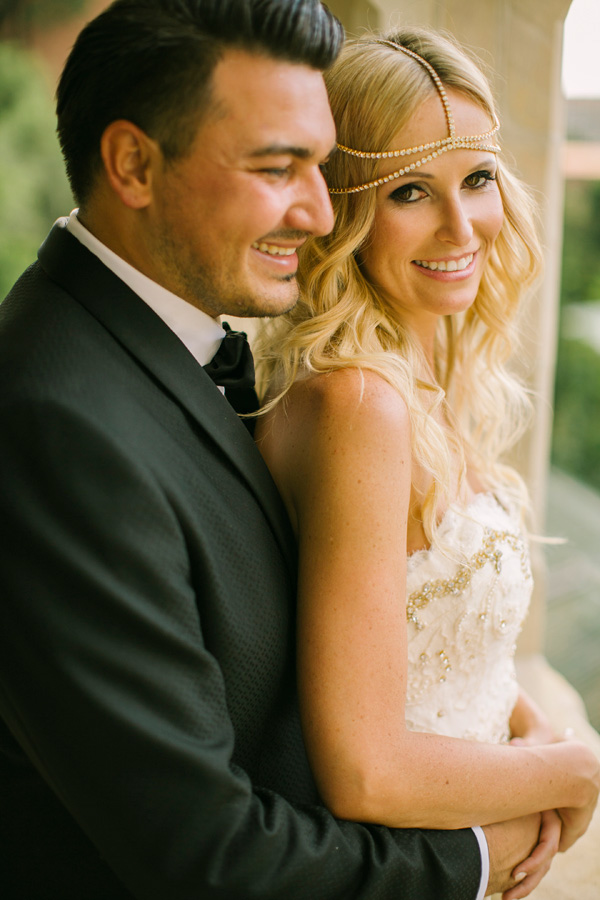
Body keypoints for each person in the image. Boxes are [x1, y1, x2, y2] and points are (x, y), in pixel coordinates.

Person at [0, 2, 554, 898]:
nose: (320, 210)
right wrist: (484, 852)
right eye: (277, 168)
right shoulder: (51, 420)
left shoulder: (184, 346)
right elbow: (206, 854)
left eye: (324, 166)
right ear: (134, 164)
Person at [254, 26, 600, 900]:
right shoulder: (361, 405)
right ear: (347, 207)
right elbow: (365, 770)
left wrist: (527, 732)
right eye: (411, 190)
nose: (461, 226)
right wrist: (574, 771)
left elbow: (445, 647)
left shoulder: (426, 376)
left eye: (478, 179)